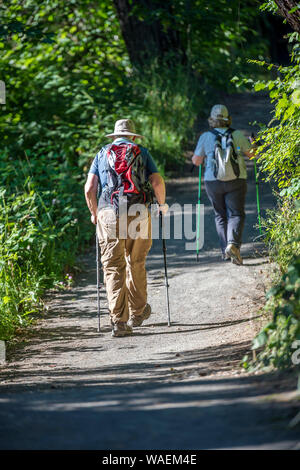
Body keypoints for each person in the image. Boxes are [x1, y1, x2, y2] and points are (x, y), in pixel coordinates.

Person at [85, 119, 168, 337]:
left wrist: (94, 214)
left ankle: (119, 322)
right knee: (137, 261)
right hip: (138, 210)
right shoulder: (141, 152)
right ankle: (138, 313)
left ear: (114, 137)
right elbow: (157, 182)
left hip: (109, 211)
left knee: (113, 266)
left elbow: (89, 188)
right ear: (132, 136)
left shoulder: (102, 153)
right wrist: (162, 205)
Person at [192, 104, 255, 265]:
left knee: (220, 215)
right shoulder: (237, 135)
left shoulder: (205, 136)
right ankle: (233, 245)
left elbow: (196, 161)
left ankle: (225, 252)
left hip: (213, 182)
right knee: (236, 214)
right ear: (228, 119)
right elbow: (252, 155)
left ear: (212, 120)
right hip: (236, 180)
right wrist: (253, 144)